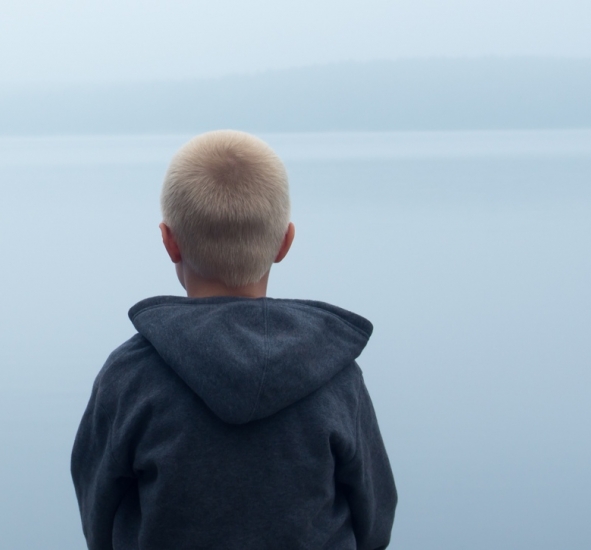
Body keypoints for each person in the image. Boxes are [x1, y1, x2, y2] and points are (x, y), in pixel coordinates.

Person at [70, 130, 397, 550]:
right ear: (285, 242)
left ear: (169, 241)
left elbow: (98, 515)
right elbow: (376, 521)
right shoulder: (337, 378)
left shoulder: (128, 378)